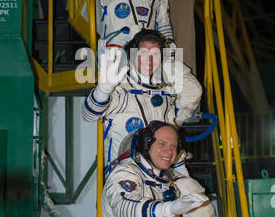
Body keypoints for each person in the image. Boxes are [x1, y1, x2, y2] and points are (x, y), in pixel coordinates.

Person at [101, 122, 216, 217]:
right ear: (145, 144)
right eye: (162, 143)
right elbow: (124, 207)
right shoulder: (125, 172)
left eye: (173, 146)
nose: (169, 151)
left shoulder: (166, 183)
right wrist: (168, 209)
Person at [82, 29, 202, 177]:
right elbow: (88, 116)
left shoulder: (167, 92)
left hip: (162, 175)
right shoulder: (120, 88)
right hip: (125, 176)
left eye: (155, 54)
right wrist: (103, 90)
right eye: (143, 53)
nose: (149, 60)